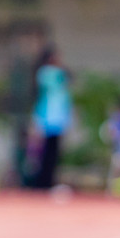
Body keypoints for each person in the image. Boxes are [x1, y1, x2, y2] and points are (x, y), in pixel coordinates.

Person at [28, 45, 70, 191]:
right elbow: (62, 79)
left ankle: (48, 181)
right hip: (48, 118)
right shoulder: (48, 73)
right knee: (45, 152)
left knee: (53, 152)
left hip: (57, 119)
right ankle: (42, 183)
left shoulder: (54, 74)